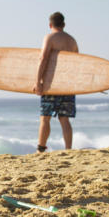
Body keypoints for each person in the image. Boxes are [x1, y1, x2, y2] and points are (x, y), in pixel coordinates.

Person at [33, 12, 79, 152]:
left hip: (51, 85)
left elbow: (43, 59)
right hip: (67, 86)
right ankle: (68, 149)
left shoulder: (50, 37)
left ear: (50, 25)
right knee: (64, 119)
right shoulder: (72, 41)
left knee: (45, 118)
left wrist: (38, 81)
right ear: (63, 24)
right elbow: (77, 64)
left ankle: (41, 149)